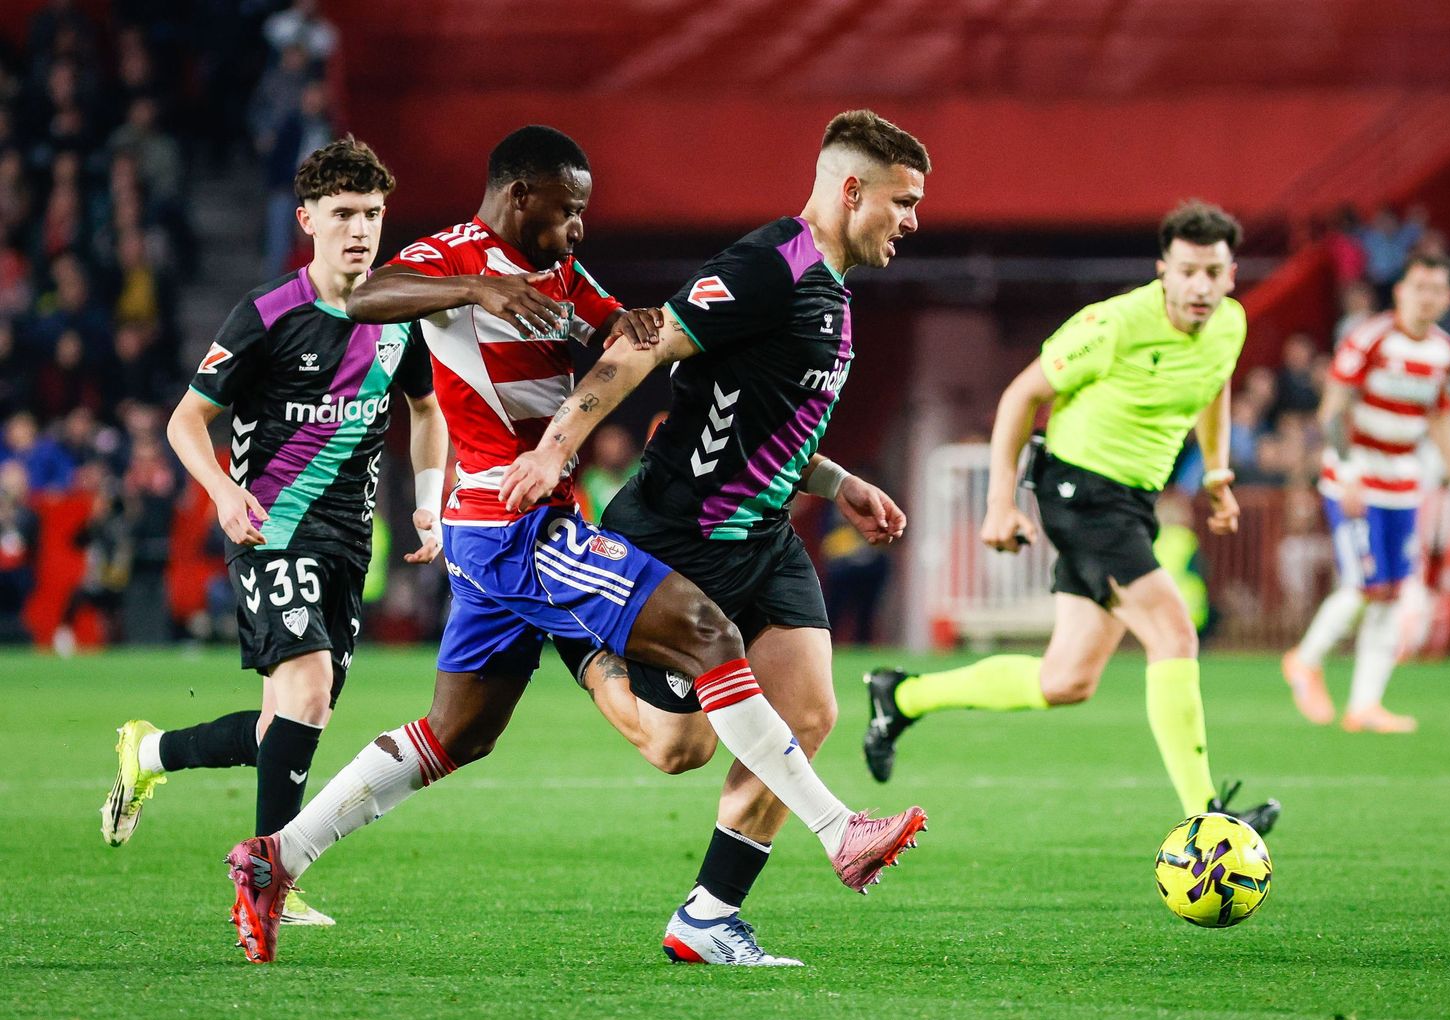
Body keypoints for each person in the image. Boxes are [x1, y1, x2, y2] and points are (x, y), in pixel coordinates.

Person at [224, 125, 925, 965]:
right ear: (521, 196)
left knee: (457, 734)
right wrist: (477, 297)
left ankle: (277, 857)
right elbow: (366, 295)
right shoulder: (452, 254)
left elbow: (625, 336)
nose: (580, 228)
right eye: (569, 211)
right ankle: (837, 827)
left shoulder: (560, 268)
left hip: (523, 523)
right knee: (708, 635)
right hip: (513, 522)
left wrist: (642, 328)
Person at [507, 109, 930, 966]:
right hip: (678, 539)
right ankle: (580, 642)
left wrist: (838, 482)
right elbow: (640, 349)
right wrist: (556, 448)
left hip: (764, 541)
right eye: (903, 201)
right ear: (851, 190)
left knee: (809, 711)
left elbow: (770, 424)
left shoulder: (836, 297)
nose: (913, 221)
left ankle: (707, 915)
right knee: (679, 749)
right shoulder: (769, 266)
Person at [99, 137, 449, 929]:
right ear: (308, 220)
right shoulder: (266, 315)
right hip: (270, 528)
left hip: (346, 544)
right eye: (344, 215)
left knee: (286, 725)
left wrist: (429, 500)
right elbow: (187, 419)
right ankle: (269, 873)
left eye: (373, 215)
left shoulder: (401, 319)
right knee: (309, 687)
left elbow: (426, 410)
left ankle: (147, 754)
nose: (361, 229)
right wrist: (221, 489)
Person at [862, 201, 1280, 834]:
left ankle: (902, 697)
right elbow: (1020, 396)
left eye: (1214, 273)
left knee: (1067, 680)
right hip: (1078, 491)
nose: (1201, 287)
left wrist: (1218, 473)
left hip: (1131, 502)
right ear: (1163, 268)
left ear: (1230, 274)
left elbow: (1214, 385)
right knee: (1175, 633)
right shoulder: (1112, 324)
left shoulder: (1230, 326)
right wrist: (999, 501)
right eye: (1188, 271)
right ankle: (1207, 819)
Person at [1283, 254, 1450, 733]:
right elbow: (1332, 409)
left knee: (1391, 592)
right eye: (1419, 287)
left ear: (1447, 298)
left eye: (1436, 289)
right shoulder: (1370, 337)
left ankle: (1364, 704)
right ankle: (1304, 661)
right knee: (1365, 584)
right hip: (1356, 476)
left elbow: (1442, 419)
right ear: (1401, 292)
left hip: (1403, 482)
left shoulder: (1442, 351)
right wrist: (1346, 471)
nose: (1427, 296)